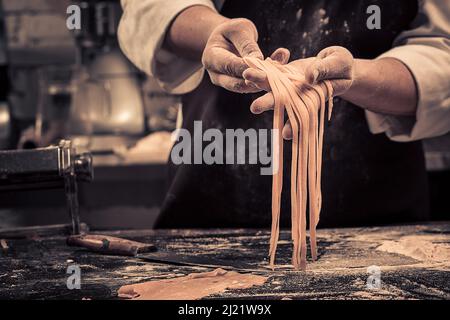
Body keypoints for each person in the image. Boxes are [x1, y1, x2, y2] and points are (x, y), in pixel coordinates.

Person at [118, 0, 450, 228]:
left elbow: (442, 51)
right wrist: (215, 34)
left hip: (375, 216)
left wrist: (353, 78)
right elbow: (153, 7)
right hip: (212, 190)